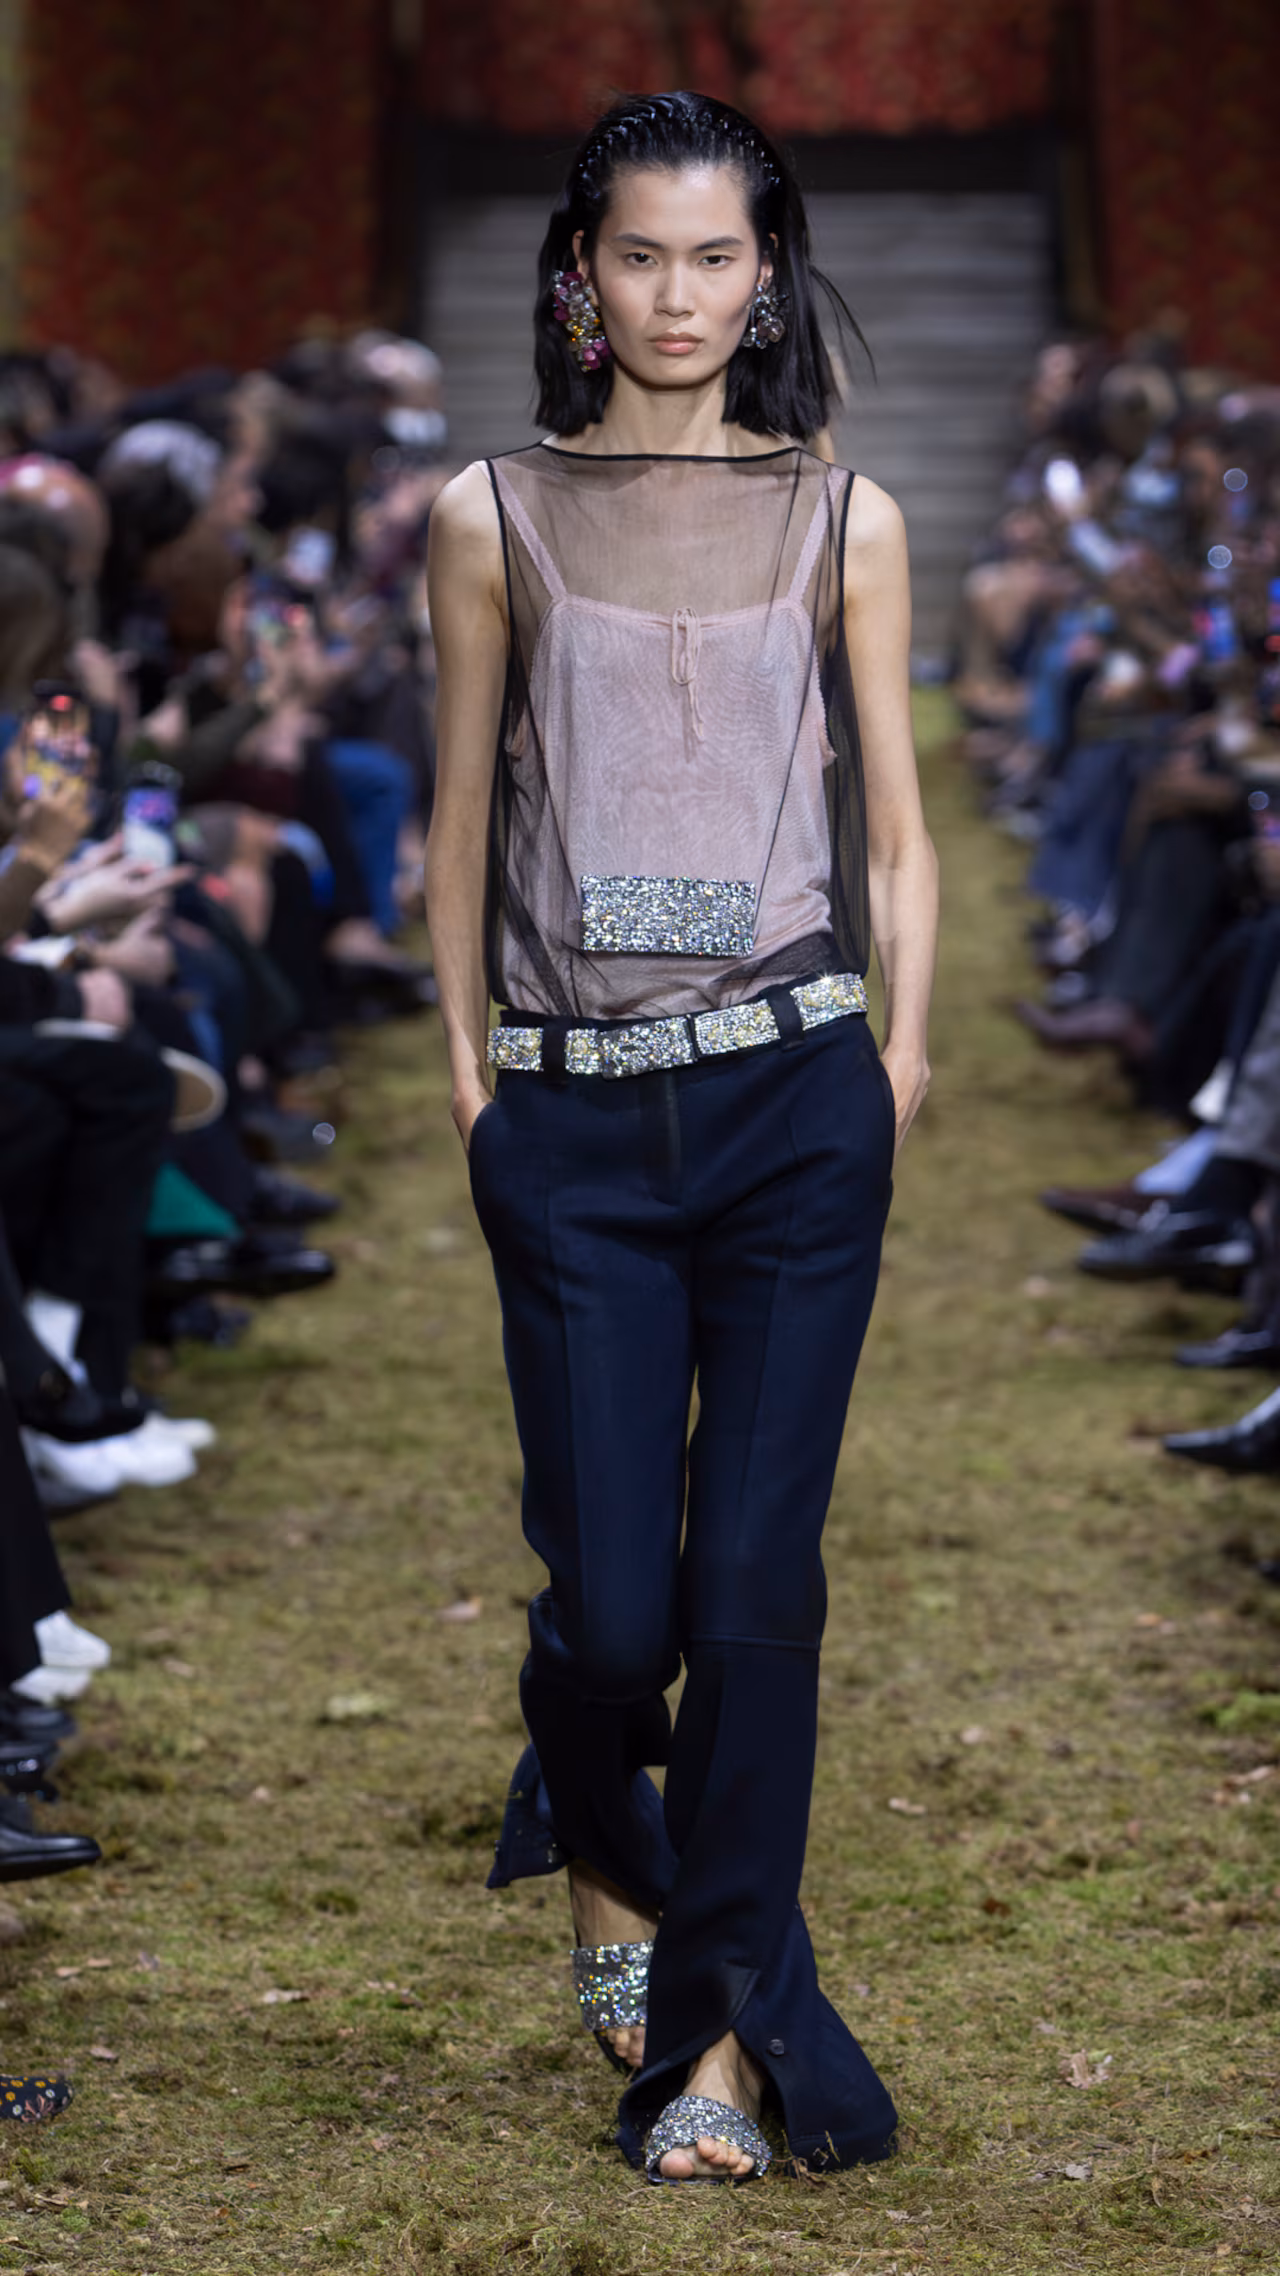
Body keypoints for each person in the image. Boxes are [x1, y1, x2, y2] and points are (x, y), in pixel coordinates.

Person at [426, 91, 937, 2183]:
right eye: (639, 253)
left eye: (716, 257)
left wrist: (901, 1059)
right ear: (582, 272)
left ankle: (717, 2039)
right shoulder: (488, 514)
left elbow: (894, 827)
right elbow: (458, 825)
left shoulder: (845, 517)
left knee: (749, 1594)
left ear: (767, 276)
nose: (676, 294)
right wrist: (474, 1088)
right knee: (613, 1616)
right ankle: (597, 1843)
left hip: (795, 1099)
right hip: (569, 1115)